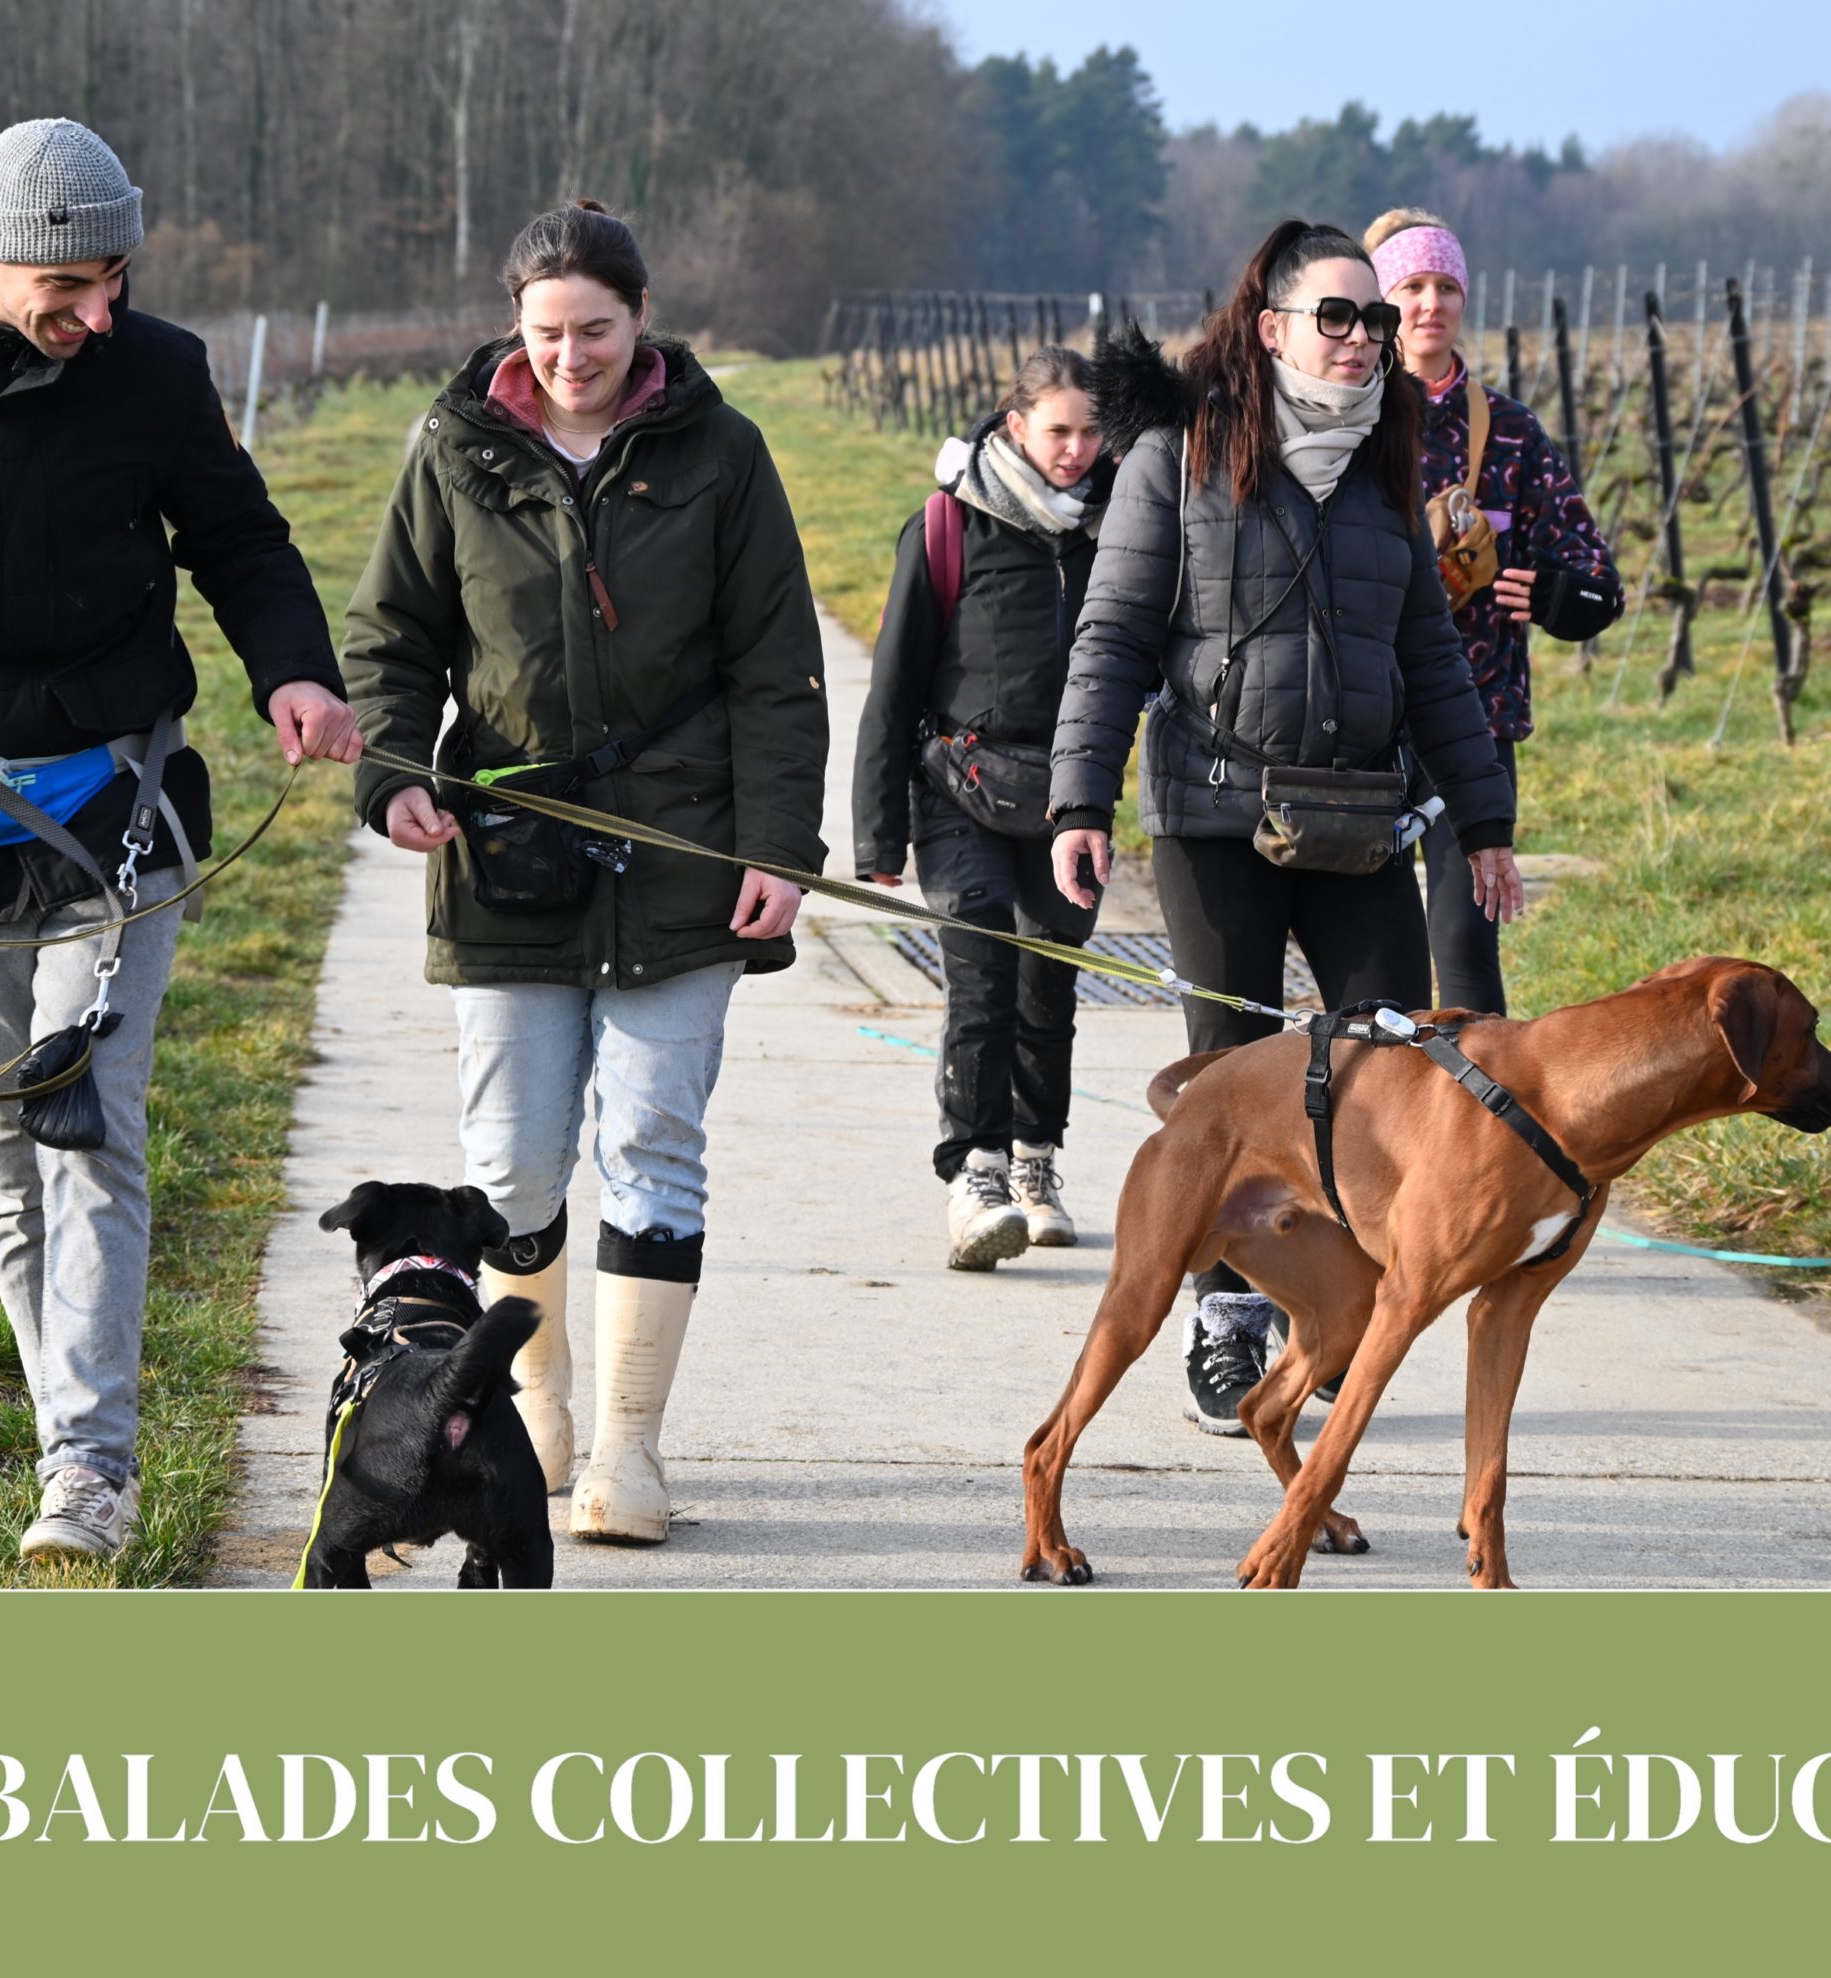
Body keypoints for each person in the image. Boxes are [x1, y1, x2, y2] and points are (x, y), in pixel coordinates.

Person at [0, 118, 362, 1562]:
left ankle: (89, 1466)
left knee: (79, 1116)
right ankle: (72, 1426)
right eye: (67, 290)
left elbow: (242, 539)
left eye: (117, 278)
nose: (99, 315)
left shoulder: (157, 371)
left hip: (114, 813)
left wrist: (294, 670)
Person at [343, 202, 828, 1544]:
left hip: (681, 860)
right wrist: (391, 777)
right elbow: (391, 635)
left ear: (641, 316)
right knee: (513, 1168)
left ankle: (630, 1446)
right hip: (508, 858)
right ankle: (536, 1411)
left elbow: (778, 673)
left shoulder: (722, 455)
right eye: (547, 334)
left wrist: (781, 851)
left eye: (597, 332)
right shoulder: (452, 450)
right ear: (515, 323)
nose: (572, 359)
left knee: (655, 1147)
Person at [1050, 219, 1521, 1432]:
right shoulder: (1178, 456)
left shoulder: (1387, 472)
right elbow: (1110, 635)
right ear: (1270, 330)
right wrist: (1079, 798)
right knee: (1227, 1072)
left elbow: (1431, 659)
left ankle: (1342, 1310)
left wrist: (1485, 821)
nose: (1363, 337)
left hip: (1362, 816)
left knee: (1395, 1062)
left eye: (1374, 318)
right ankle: (1226, 1314)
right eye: (1338, 315)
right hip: (1217, 817)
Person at [854, 349, 1109, 1269]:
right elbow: (892, 688)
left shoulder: (1118, 530)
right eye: (1058, 431)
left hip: (1070, 798)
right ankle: (977, 1171)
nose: (1075, 450)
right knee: (981, 977)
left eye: (1090, 432)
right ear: (1013, 427)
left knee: (1049, 987)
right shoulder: (946, 528)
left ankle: (1038, 1161)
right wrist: (878, 833)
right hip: (955, 788)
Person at [1365, 208, 1621, 1012]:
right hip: (1359, 717)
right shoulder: (1348, 420)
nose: (1430, 303)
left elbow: (1596, 582)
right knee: (1372, 952)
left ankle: (1483, 1127)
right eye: (1411, 286)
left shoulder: (1509, 433)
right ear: (1380, 302)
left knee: (1467, 943)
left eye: (1446, 286)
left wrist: (1545, 591)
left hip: (1475, 721)